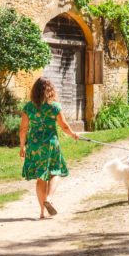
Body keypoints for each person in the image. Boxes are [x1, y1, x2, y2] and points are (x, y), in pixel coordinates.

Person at [19, 77, 79, 219]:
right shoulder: (54, 107)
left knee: (41, 178)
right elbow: (64, 125)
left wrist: (22, 146)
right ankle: (49, 199)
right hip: (50, 144)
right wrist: (73, 134)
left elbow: (23, 129)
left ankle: (42, 212)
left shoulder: (28, 107)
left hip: (34, 145)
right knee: (56, 171)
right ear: (50, 90)